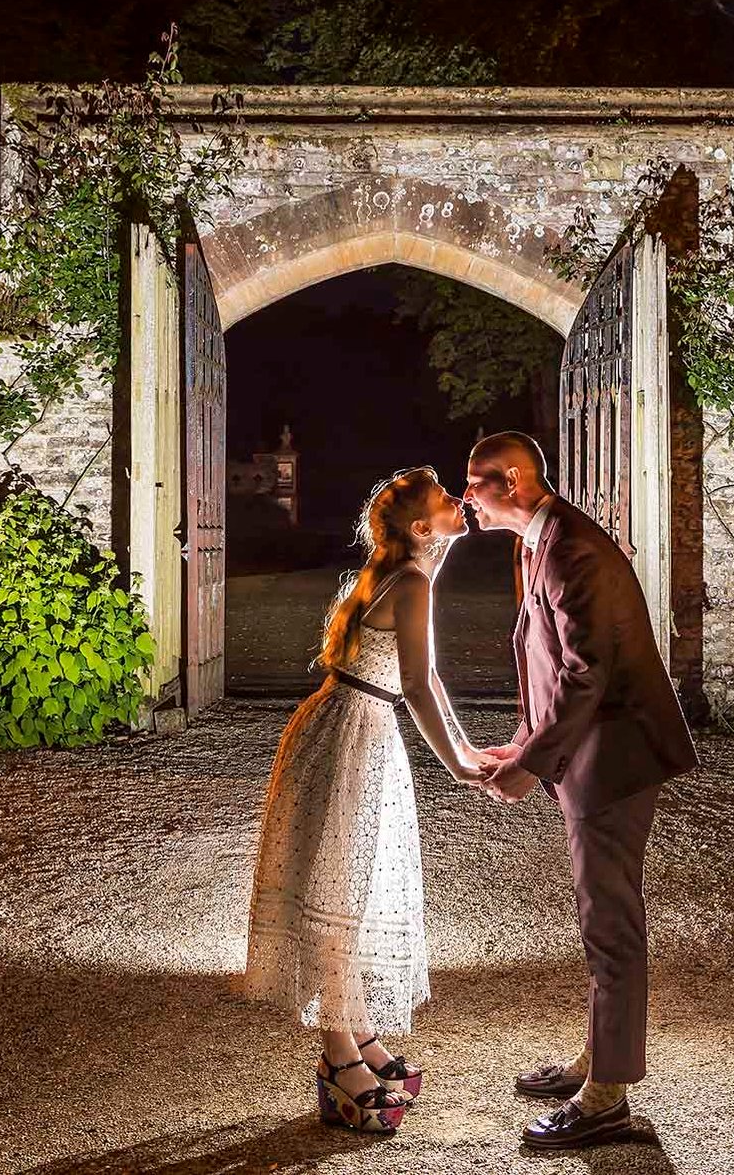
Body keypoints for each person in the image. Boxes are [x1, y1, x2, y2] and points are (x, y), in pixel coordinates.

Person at [463, 431, 698, 1150]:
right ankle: (597, 1062)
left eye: (475, 482)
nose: (465, 495)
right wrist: (525, 742)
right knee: (600, 914)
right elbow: (555, 661)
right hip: (588, 753)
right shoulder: (539, 541)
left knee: (610, 922)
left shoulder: (569, 548)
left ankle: (607, 1100)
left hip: (615, 758)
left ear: (511, 480)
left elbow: (587, 672)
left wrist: (532, 764)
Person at [242, 467, 495, 1134]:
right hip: (356, 730)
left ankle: (356, 1038)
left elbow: (422, 675)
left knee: (346, 891)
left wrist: (464, 751)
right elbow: (416, 681)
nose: (461, 504)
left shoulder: (407, 574)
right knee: (340, 900)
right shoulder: (409, 581)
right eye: (448, 503)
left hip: (348, 724)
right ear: (420, 528)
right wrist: (461, 763)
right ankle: (336, 1057)